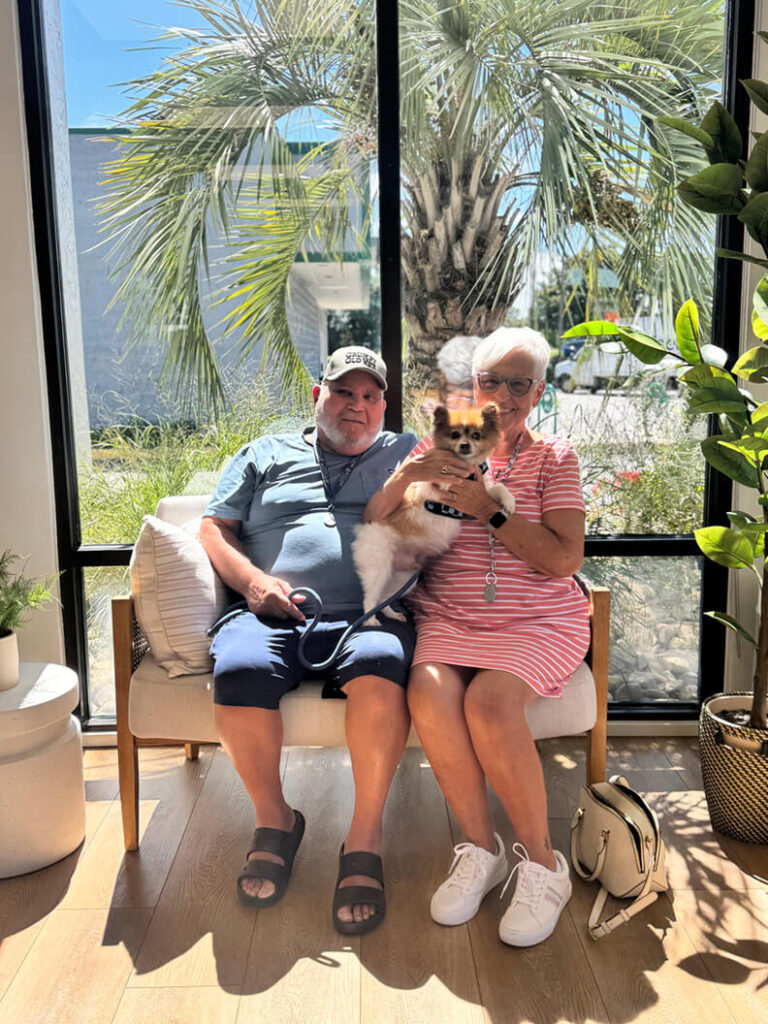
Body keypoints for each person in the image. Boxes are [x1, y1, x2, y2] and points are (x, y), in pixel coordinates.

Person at [362, 326, 589, 947]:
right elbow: (376, 518)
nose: (505, 394)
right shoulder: (446, 445)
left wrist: (492, 511)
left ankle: (543, 865)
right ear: (475, 386)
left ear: (538, 391)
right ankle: (479, 849)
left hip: (537, 618)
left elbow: (566, 560)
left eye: (520, 383)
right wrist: (409, 473)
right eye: (493, 381)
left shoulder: (555, 458)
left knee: (489, 704)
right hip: (452, 617)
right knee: (429, 694)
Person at [199, 345, 417, 935]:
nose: (359, 406)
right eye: (345, 392)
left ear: (383, 407)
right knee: (239, 669)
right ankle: (276, 822)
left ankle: (364, 837)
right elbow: (214, 526)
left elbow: (472, 466)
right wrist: (252, 584)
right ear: (318, 395)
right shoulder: (264, 452)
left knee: (380, 663)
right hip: (271, 613)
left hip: (368, 614)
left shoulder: (405, 452)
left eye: (372, 397)